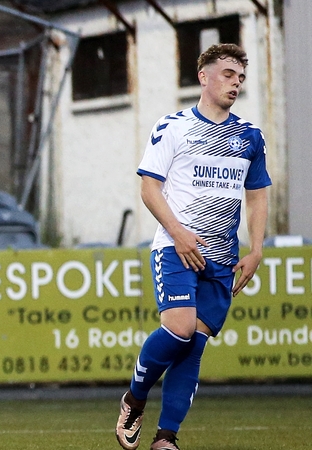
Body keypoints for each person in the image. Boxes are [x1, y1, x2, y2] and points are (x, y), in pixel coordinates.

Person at [115, 43, 271, 450]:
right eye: (227, 74)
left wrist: (256, 249)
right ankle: (135, 395)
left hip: (223, 257)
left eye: (240, 78)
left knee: (194, 346)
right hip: (175, 245)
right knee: (180, 329)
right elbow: (149, 188)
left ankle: (166, 438)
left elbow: (257, 194)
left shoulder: (250, 136)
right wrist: (178, 232)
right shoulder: (173, 126)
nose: (235, 83)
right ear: (203, 76)